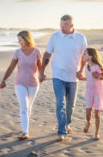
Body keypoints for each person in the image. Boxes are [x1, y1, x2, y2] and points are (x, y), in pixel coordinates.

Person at [39, 14, 87, 142]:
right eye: (61, 25)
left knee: (70, 105)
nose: (62, 28)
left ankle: (66, 123)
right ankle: (61, 131)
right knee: (60, 103)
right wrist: (41, 71)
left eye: (65, 26)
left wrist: (81, 70)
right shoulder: (55, 37)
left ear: (72, 26)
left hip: (73, 77)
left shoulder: (80, 38)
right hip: (58, 76)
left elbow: (85, 56)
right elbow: (47, 54)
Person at [0, 30, 42, 140]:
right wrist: (4, 79)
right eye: (18, 40)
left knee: (29, 108)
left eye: (20, 40)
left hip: (33, 83)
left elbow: (40, 68)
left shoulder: (36, 51)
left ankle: (25, 126)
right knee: (24, 107)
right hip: (20, 83)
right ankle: (25, 132)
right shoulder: (17, 52)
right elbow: (11, 67)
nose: (19, 42)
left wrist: (42, 76)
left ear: (27, 39)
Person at [80, 47, 103, 140]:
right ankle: (88, 123)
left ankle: (96, 133)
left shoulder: (97, 66)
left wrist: (99, 77)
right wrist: (82, 78)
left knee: (97, 113)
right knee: (88, 112)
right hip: (89, 91)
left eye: (85, 54)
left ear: (90, 56)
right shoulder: (87, 66)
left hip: (98, 92)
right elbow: (89, 78)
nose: (83, 55)